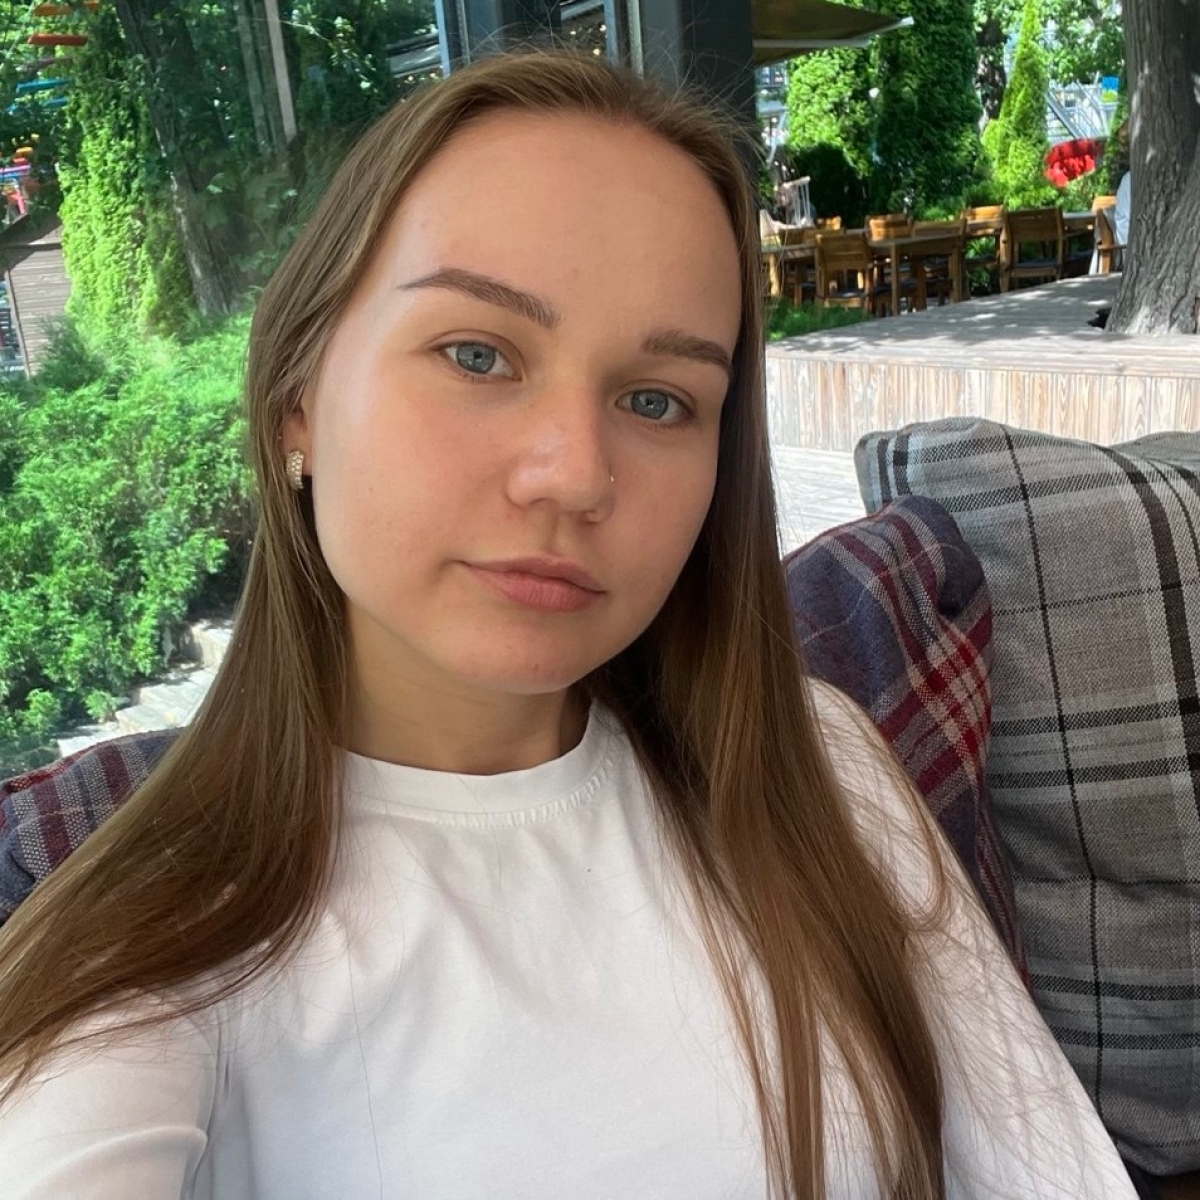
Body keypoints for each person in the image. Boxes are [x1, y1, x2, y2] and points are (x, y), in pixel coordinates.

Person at [0, 49, 1138, 1199]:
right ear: (299, 401)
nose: (575, 474)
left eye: (657, 400)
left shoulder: (818, 766)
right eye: (477, 354)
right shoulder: (145, 957)